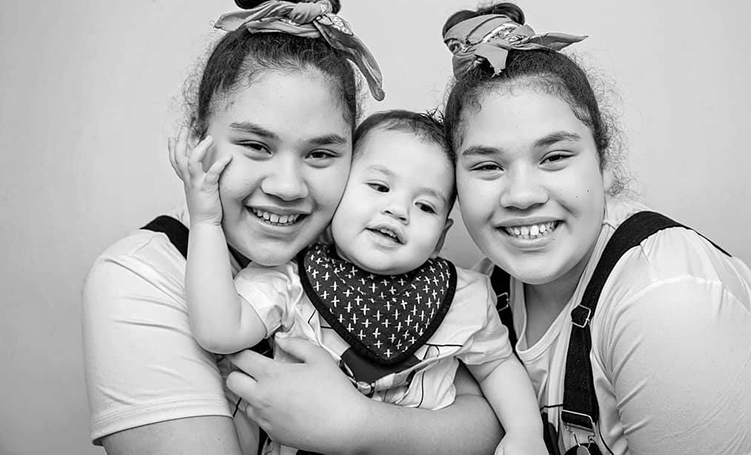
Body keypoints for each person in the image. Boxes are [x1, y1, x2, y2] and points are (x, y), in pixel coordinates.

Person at [82, 0, 503, 455]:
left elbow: (485, 419)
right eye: (256, 146)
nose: (286, 186)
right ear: (198, 140)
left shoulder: (365, 258)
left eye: (321, 154)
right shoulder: (139, 279)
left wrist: (360, 425)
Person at [440, 2, 751, 454]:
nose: (522, 194)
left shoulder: (668, 303)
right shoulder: (485, 290)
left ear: (605, 165)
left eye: (554, 157)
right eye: (488, 166)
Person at [171, 108, 548, 455]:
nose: (398, 210)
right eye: (379, 187)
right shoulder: (290, 278)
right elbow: (219, 331)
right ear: (338, 195)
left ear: (440, 239)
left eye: (425, 206)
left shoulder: (463, 296)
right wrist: (205, 222)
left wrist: (525, 432)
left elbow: (497, 365)